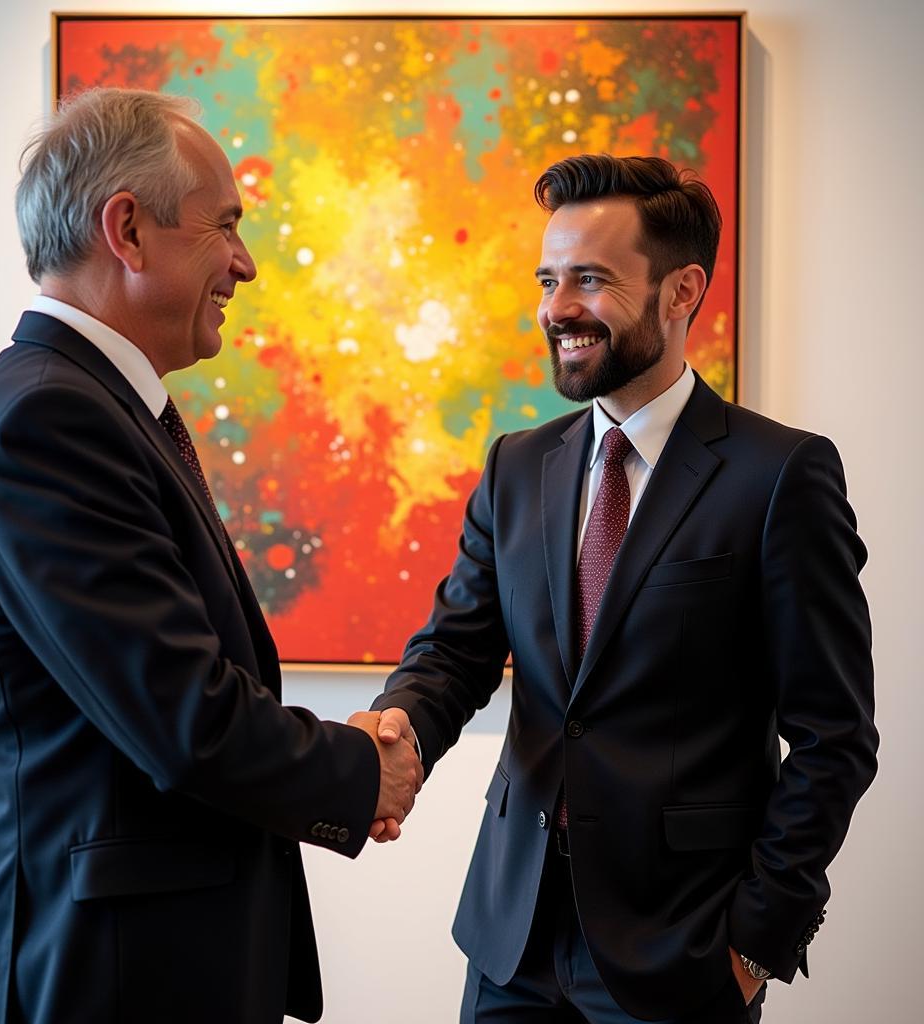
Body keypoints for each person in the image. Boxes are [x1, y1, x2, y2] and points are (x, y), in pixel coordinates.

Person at [0, 87, 421, 1024]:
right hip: (100, 977)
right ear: (129, 229)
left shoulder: (85, 405)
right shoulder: (51, 420)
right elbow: (181, 718)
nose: (244, 263)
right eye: (225, 226)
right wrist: (362, 770)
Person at [366, 154, 877, 1023]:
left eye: (590, 279)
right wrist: (396, 728)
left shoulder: (780, 474)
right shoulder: (516, 468)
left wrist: (758, 941)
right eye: (547, 279)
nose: (557, 308)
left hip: (683, 953)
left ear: (682, 291)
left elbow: (835, 738)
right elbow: (454, 652)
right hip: (510, 940)